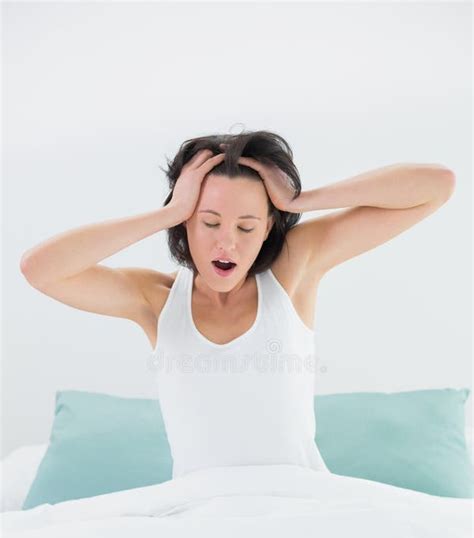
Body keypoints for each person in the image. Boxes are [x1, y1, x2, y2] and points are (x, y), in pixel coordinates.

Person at [19, 129, 455, 479]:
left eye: (247, 227)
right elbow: (40, 269)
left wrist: (299, 201)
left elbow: (436, 185)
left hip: (300, 507)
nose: (226, 242)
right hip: (198, 515)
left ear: (268, 228)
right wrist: (167, 212)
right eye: (209, 222)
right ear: (186, 220)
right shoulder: (155, 300)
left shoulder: (292, 271)